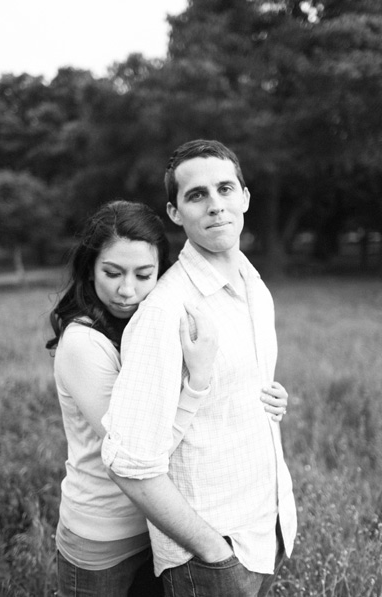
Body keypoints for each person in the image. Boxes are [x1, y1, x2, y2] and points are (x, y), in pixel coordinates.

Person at [48, 200, 289, 597]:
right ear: (89, 269)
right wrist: (197, 381)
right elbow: (138, 453)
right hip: (103, 538)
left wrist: (266, 395)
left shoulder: (150, 326)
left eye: (144, 275)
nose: (127, 290)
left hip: (159, 528)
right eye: (112, 273)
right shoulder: (84, 343)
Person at [101, 140, 298, 597]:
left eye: (225, 188)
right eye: (196, 195)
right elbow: (127, 462)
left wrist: (267, 395)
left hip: (265, 528)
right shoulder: (167, 311)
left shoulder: (254, 287)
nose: (215, 205)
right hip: (212, 553)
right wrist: (212, 550)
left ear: (244, 198)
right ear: (175, 212)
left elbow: (229, 391)